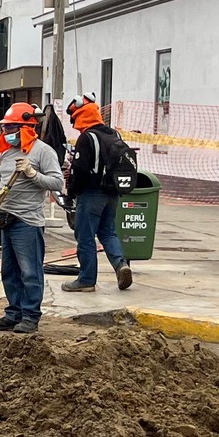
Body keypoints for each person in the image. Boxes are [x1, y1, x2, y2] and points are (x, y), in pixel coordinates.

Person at [0, 102, 63, 335]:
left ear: (26, 127)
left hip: (27, 222)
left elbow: (57, 183)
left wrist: (33, 174)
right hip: (6, 219)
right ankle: (14, 314)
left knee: (30, 271)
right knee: (8, 271)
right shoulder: (8, 152)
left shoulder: (43, 151)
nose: (7, 133)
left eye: (11, 128)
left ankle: (30, 316)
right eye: (6, 128)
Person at [63, 100, 137, 295]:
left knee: (85, 236)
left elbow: (79, 170)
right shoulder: (114, 135)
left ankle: (86, 280)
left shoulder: (87, 138)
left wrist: (71, 192)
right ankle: (121, 265)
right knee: (108, 232)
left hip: (91, 194)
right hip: (113, 192)